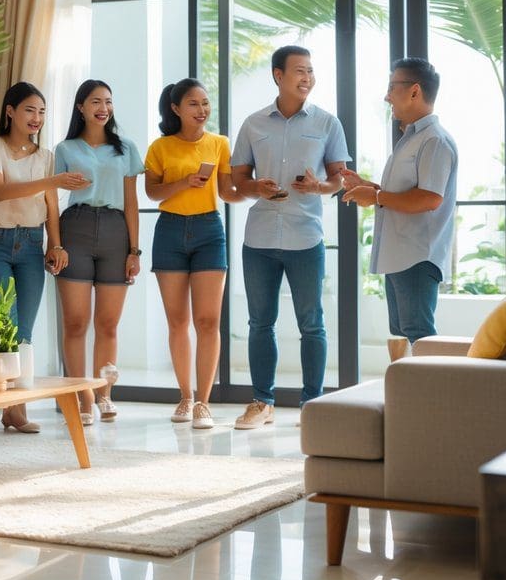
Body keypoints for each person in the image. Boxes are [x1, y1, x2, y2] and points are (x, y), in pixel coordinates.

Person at [231, 46, 350, 429]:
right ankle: (261, 402)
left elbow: (339, 179)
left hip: (306, 236)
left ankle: (311, 403)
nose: (308, 78)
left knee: (311, 323)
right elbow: (238, 181)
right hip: (260, 238)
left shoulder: (328, 123)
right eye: (300, 70)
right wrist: (256, 188)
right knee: (260, 323)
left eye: (312, 71)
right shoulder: (253, 124)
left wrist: (318, 187)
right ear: (278, 75)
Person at [0, 81, 89, 433]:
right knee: (4, 325)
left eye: (42, 112)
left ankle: (16, 406)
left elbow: (50, 206)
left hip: (31, 244)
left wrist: (55, 245)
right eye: (30, 109)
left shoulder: (45, 158)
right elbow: (0, 191)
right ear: (10, 111)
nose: (37, 118)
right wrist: (52, 180)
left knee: (24, 331)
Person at [144, 78, 242, 429]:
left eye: (205, 103)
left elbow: (228, 192)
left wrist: (256, 189)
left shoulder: (219, 144)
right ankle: (185, 396)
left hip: (209, 230)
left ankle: (204, 401)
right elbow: (153, 193)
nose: (202, 110)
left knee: (208, 321)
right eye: (193, 104)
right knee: (178, 322)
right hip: (169, 229)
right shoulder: (160, 147)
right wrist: (184, 183)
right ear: (175, 109)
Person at [341, 57, 458, 346]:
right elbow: (407, 192)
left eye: (392, 87)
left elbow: (430, 198)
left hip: (417, 256)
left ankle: (432, 392)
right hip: (401, 254)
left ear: (415, 91)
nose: (387, 95)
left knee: (419, 334)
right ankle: (412, 391)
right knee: (407, 332)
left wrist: (377, 196)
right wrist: (370, 188)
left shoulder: (434, 141)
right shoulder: (411, 139)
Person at [54, 79, 143, 425]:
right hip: (74, 228)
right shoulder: (65, 149)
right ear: (81, 107)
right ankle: (82, 398)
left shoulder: (126, 149)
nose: (103, 108)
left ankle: (104, 394)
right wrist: (55, 242)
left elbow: (132, 203)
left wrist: (134, 250)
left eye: (108, 101)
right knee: (75, 322)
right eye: (95, 101)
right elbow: (51, 195)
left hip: (115, 231)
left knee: (108, 323)